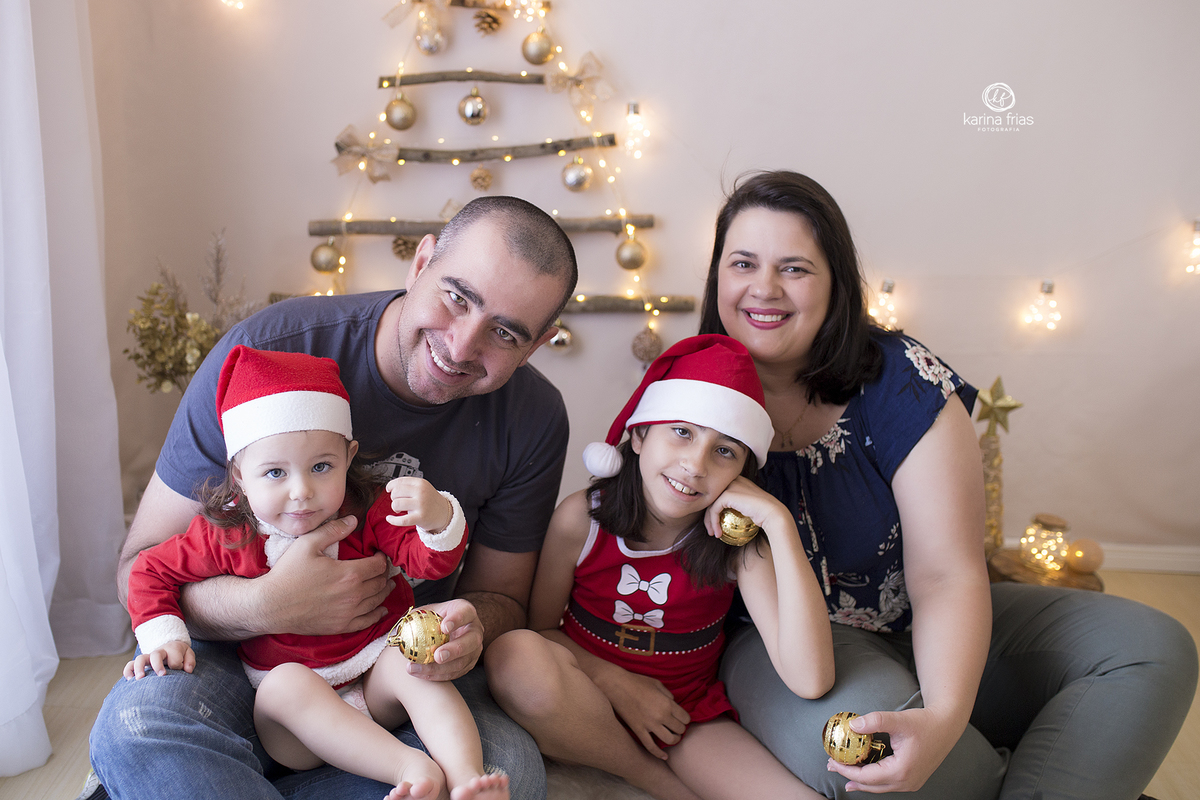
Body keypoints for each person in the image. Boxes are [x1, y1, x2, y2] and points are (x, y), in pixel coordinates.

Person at [694, 169, 1198, 800]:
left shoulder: (900, 379)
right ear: (717, 275)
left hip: (924, 622)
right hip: (784, 653)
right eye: (743, 262)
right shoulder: (686, 397)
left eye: (794, 268)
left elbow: (945, 575)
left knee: (1150, 648)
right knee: (867, 744)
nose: (763, 288)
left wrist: (944, 717)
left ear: (835, 285)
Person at [90, 195, 577, 800]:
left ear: (539, 343)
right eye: (457, 297)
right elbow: (141, 567)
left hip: (392, 660)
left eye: (504, 333)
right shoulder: (268, 353)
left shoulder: (533, 417)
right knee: (137, 729)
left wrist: (471, 627)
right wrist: (268, 605)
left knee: (511, 770)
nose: (460, 345)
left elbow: (502, 598)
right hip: (246, 660)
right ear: (422, 261)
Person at [123, 345, 506, 800]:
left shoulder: (366, 510)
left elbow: (427, 561)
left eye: (321, 467)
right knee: (285, 686)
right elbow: (148, 569)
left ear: (349, 456)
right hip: (297, 728)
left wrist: (438, 518)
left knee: (415, 655)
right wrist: (165, 638)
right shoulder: (226, 534)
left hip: (375, 678)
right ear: (240, 476)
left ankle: (467, 779)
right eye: (274, 473)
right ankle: (411, 769)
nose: (301, 491)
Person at [486, 335, 836, 800]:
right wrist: (616, 683)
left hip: (682, 717)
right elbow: (542, 631)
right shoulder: (581, 518)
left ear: (742, 474)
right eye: (683, 432)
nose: (695, 465)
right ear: (638, 435)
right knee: (514, 655)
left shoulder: (737, 546)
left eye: (725, 450)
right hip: (585, 700)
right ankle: (651, 779)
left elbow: (810, 680)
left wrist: (779, 524)